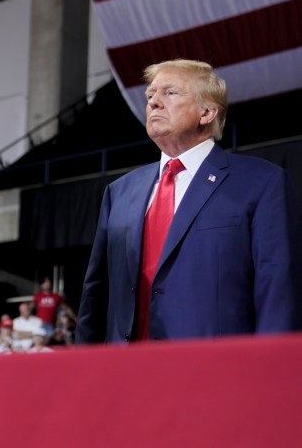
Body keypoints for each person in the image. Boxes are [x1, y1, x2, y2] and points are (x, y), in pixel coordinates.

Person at [76, 59, 302, 344]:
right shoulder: (119, 192)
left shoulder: (261, 183)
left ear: (207, 112)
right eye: (150, 95)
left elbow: (278, 290)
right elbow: (96, 293)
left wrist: (268, 373)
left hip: (214, 373)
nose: (154, 103)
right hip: (127, 373)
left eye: (169, 93)